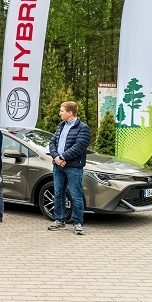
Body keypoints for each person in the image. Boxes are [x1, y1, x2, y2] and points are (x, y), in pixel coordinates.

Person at [48, 101, 91, 235]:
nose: (59, 113)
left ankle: (78, 223)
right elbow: (52, 143)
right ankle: (59, 221)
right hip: (58, 165)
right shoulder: (60, 126)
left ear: (70, 113)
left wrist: (63, 158)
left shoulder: (83, 128)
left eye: (61, 111)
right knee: (58, 194)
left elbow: (79, 147)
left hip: (73, 167)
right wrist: (56, 157)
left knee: (76, 195)